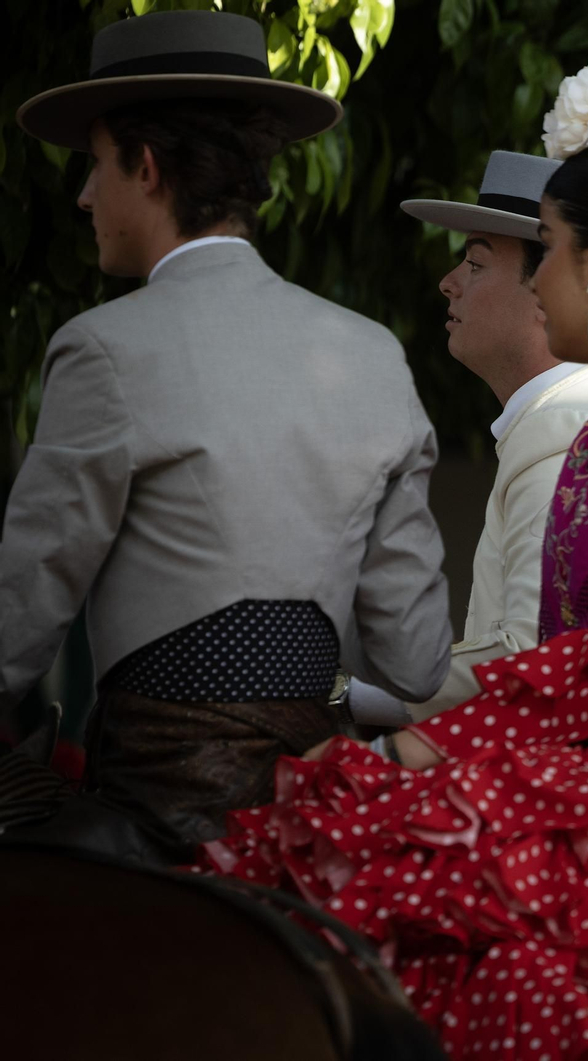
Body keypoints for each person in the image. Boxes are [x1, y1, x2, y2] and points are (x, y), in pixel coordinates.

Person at [200, 66, 588, 1061]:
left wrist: (423, 746)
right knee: (338, 819)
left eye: (549, 252)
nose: (535, 278)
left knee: (386, 830)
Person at [0, 11, 451, 860]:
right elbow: (418, 661)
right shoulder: (373, 354)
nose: (83, 196)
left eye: (95, 165)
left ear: (147, 164)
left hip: (157, 816)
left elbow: (19, 624)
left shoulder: (103, 348)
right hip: (319, 821)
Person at [341, 152, 588, 726]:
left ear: (549, 289)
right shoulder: (565, 419)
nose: (449, 284)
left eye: (475, 263)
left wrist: (351, 696)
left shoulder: (571, 431)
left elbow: (531, 659)